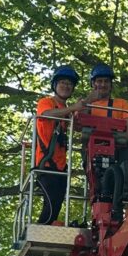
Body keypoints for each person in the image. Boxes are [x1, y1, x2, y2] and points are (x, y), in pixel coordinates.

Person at [80, 63, 128, 216]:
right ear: (93, 84)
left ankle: (124, 188)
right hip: (94, 148)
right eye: (99, 81)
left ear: (111, 85)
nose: (102, 84)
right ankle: (97, 190)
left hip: (117, 147)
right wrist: (89, 99)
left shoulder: (121, 104)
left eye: (106, 81)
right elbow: (78, 122)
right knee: (92, 163)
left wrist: (125, 138)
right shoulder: (87, 104)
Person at [34, 65, 85, 224]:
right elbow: (46, 115)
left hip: (60, 166)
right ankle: (41, 231)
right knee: (50, 206)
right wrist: (73, 108)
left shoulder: (66, 110)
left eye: (69, 84)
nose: (66, 86)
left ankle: (47, 228)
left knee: (56, 206)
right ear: (55, 85)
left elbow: (77, 127)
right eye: (62, 82)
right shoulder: (46, 102)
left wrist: (78, 110)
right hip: (46, 164)